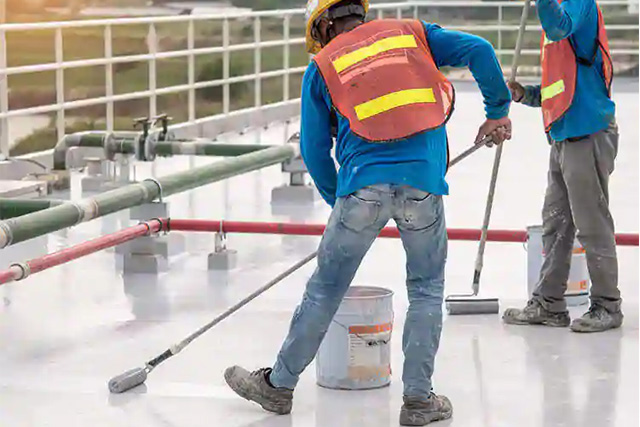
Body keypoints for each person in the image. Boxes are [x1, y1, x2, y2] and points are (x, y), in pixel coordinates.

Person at [224, 0, 512, 425]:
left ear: (324, 25)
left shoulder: (321, 67)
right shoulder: (410, 33)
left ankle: (278, 387)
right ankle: (419, 401)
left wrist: (338, 204)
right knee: (426, 289)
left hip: (361, 189)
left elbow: (314, 150)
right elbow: (480, 50)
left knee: (325, 289)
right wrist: (497, 112)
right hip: (423, 185)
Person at [502, 0, 622, 333]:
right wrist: (526, 94)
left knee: (591, 222)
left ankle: (607, 305)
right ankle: (548, 303)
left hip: (588, 132)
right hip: (564, 134)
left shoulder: (577, 4)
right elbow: (562, 85)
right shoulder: (558, 11)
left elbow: (558, 27)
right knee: (556, 223)